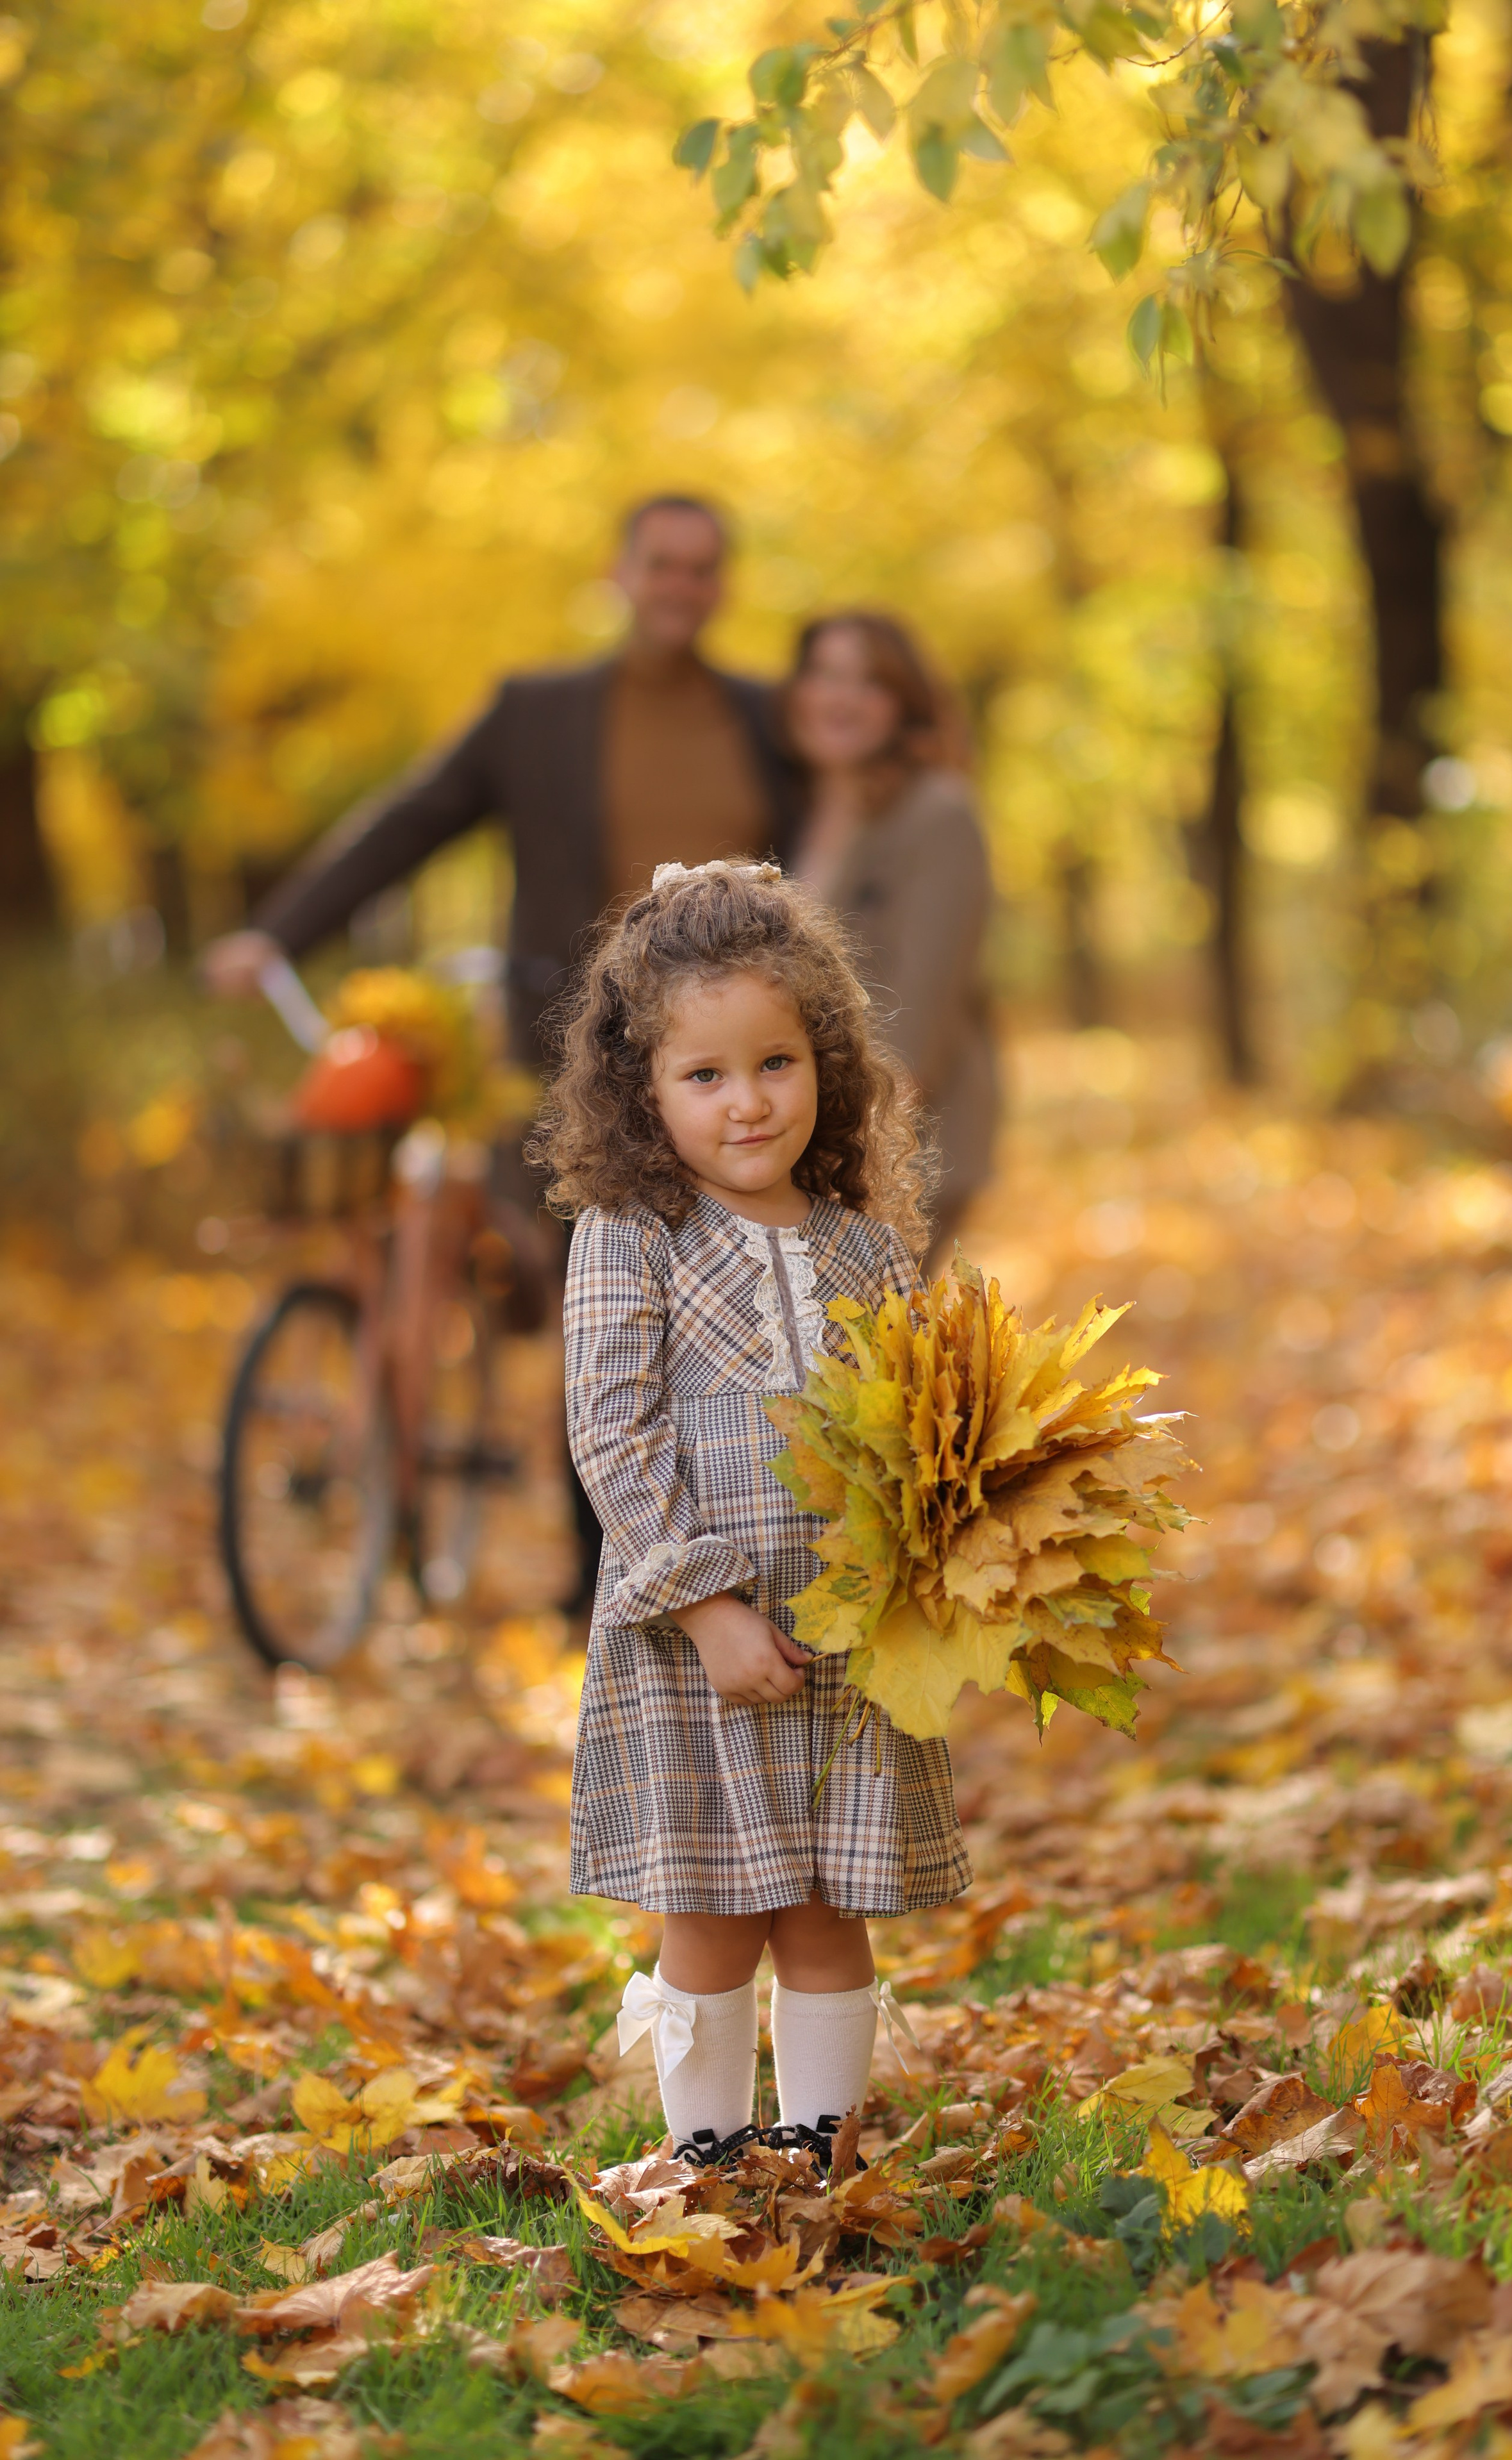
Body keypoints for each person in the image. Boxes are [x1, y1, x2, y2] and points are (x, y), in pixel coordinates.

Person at [201, 496, 802, 1608]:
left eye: (703, 567)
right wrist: (278, 933)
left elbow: (846, 841)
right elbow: (408, 821)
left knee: (736, 1304)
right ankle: (603, 1578)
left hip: (744, 1055)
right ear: (620, 572)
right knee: (610, 1306)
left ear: (723, 584)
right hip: (585, 1052)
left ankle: (751, 1558)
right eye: (663, 563)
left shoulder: (768, 719)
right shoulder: (537, 713)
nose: (682, 585)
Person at [538, 860, 970, 2161]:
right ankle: (708, 2156)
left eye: (776, 1061)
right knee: (716, 1910)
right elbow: (611, 1433)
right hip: (702, 1639)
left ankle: (819, 2147)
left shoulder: (861, 1245)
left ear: (825, 1058)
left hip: (841, 1631)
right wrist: (708, 1608)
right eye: (705, 1074)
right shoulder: (633, 1233)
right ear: (643, 1089)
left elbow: (914, 1423)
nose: (748, 1101)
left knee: (830, 1906)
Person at [785, 611, 997, 1266]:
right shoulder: (803, 810)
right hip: (811, 1146)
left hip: (896, 1150)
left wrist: (852, 1169)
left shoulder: (937, 812)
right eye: (825, 675)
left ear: (903, 704)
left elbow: (918, 1025)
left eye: (868, 681)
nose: (841, 698)